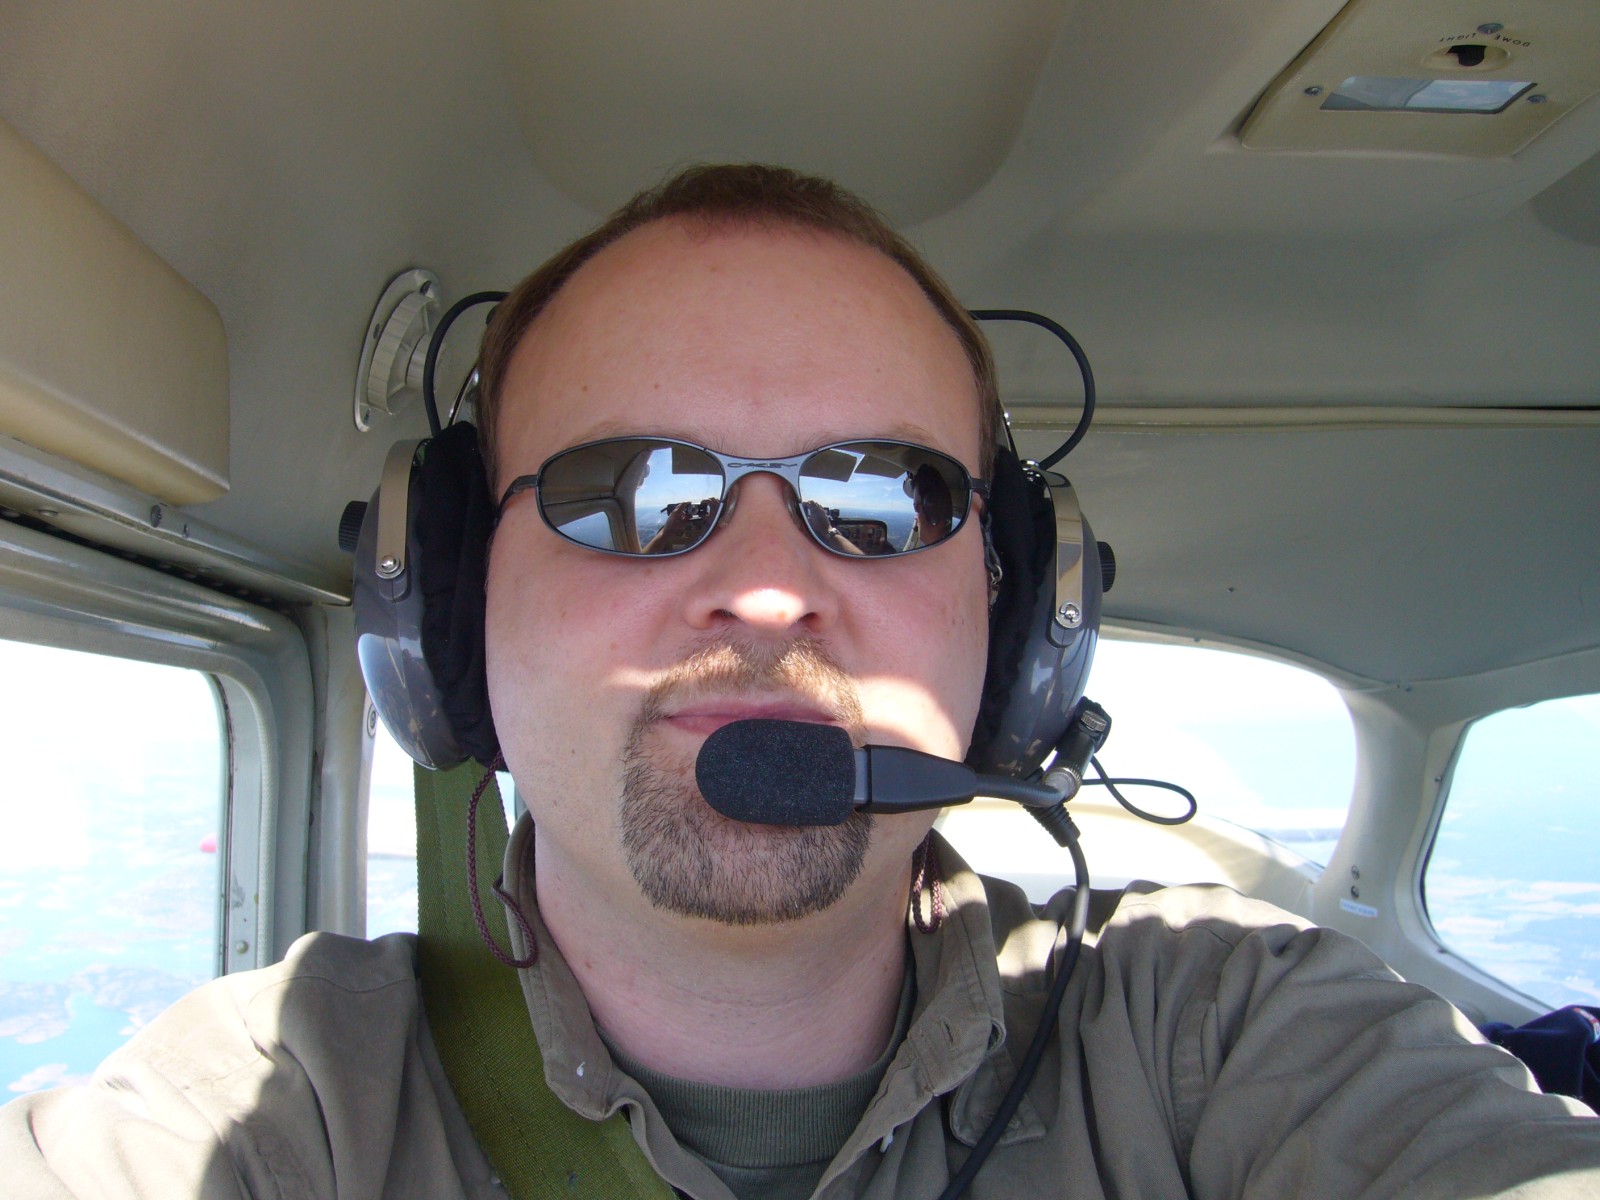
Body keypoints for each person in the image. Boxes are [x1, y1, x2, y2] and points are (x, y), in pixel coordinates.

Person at [6, 164, 1599, 1199]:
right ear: (450, 602)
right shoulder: (268, 1111)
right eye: (631, 494)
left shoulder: (1224, 1034)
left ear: (1021, 625)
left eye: (885, 499)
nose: (768, 586)